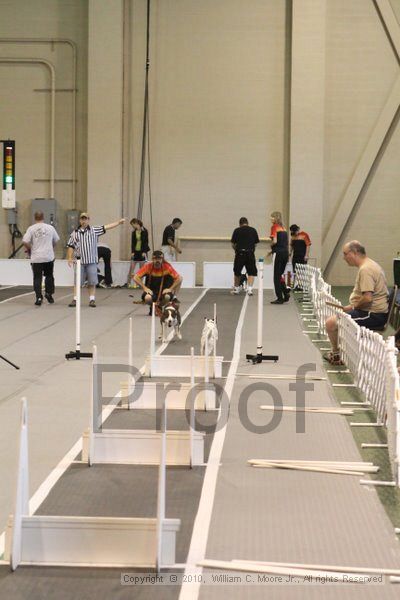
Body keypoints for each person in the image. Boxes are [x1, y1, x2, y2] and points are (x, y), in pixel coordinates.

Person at [324, 241, 389, 365]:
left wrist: (352, 306)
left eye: (345, 254)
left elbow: (368, 298)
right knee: (336, 320)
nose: (344, 258)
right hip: (371, 312)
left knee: (331, 323)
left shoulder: (366, 269)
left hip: (373, 314)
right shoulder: (370, 264)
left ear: (354, 253)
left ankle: (337, 355)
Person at [66, 212, 125, 308]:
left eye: (86, 219)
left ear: (88, 220)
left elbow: (107, 227)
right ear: (80, 220)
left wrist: (118, 223)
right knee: (77, 282)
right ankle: (75, 298)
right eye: (82, 219)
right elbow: (70, 246)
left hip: (91, 261)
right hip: (79, 261)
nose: (84, 220)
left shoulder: (94, 230)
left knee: (92, 281)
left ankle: (92, 299)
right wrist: (69, 257)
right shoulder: (75, 233)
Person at [22, 211, 60, 306]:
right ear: (43, 217)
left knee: (37, 278)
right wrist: (51, 247)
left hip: (36, 257)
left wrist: (30, 248)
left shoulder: (31, 229)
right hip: (48, 256)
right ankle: (48, 293)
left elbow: (25, 241)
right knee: (49, 276)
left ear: (35, 218)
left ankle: (39, 297)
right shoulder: (50, 228)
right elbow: (56, 240)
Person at [133, 250, 182, 315]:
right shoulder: (148, 267)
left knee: (167, 297)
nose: (157, 261)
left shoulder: (167, 267)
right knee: (147, 298)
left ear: (162, 259)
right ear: (152, 259)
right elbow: (135, 277)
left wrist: (170, 289)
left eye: (159, 259)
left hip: (163, 291)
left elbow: (179, 278)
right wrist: (145, 288)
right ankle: (153, 307)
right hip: (152, 291)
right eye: (155, 259)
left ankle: (161, 305)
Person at [230, 217, 259, 296]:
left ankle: (236, 289)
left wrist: (236, 250)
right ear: (247, 223)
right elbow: (256, 243)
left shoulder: (237, 230)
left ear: (240, 224)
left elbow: (233, 244)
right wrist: (251, 249)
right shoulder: (253, 230)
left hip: (240, 253)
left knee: (237, 271)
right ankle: (249, 289)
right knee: (251, 272)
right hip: (250, 253)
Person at [268, 211, 290, 304]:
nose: (270, 219)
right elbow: (286, 243)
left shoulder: (274, 227)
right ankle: (285, 292)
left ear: (275, 218)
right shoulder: (284, 228)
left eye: (272, 217)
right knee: (280, 274)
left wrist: (271, 245)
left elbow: (275, 241)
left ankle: (279, 298)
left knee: (276, 276)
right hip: (285, 253)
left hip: (278, 253)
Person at [128, 218, 150, 288]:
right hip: (135, 251)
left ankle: (139, 284)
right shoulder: (133, 232)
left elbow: (146, 242)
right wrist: (132, 252)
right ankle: (129, 283)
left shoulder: (145, 231)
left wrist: (144, 251)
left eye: (133, 224)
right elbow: (133, 242)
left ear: (136, 223)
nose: (133, 226)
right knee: (131, 268)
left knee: (141, 269)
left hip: (142, 251)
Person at [290, 224, 312, 290]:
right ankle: (298, 285)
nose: (295, 233)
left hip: (302, 256)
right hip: (295, 256)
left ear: (298, 230)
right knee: (295, 271)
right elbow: (291, 246)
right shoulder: (292, 237)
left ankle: (301, 285)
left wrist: (306, 255)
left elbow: (308, 245)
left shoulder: (304, 235)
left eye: (295, 231)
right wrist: (290, 253)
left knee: (301, 271)